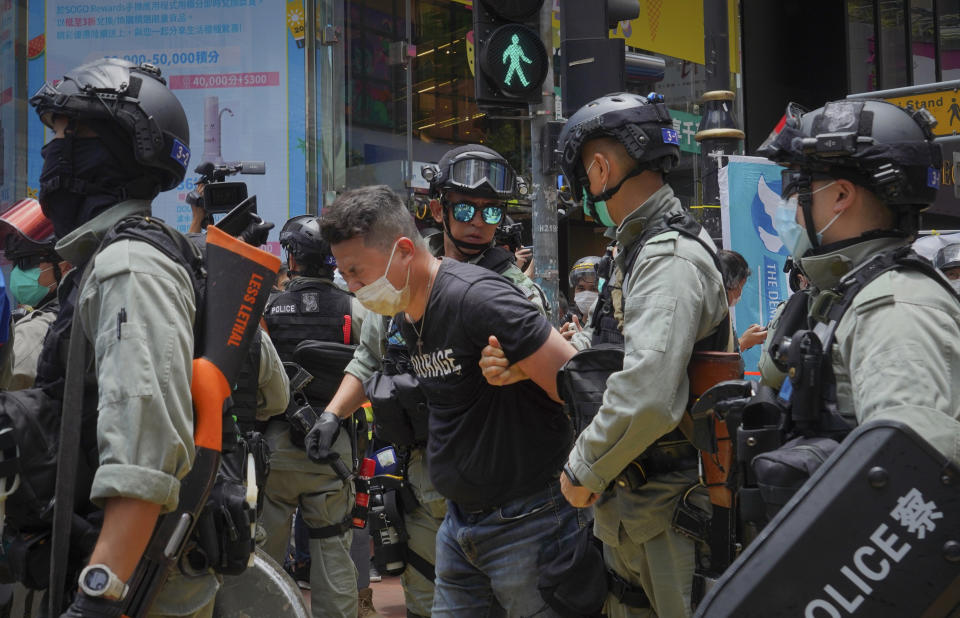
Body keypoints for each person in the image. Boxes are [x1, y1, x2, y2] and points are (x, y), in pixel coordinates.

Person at [318, 185, 584, 617]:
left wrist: (521, 371)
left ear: (403, 251)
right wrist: (332, 414)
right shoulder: (405, 314)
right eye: (344, 274)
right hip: (460, 523)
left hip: (527, 520)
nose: (352, 286)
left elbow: (576, 381)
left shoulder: (477, 297)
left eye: (356, 271)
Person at [29, 58, 217, 617]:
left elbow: (144, 452)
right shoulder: (145, 254)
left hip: (132, 581)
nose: (56, 148)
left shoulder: (128, 264)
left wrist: (98, 600)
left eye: (76, 132)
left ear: (125, 147)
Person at [549, 92, 730, 617]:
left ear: (601, 168)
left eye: (582, 178)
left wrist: (581, 470)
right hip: (631, 507)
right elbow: (605, 347)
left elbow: (648, 393)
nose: (583, 192)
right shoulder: (631, 251)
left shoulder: (668, 258)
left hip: (669, 514)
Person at [755, 98, 960, 464]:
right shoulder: (846, 293)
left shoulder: (895, 310)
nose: (791, 208)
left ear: (841, 196)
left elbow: (904, 475)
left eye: (797, 186)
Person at [259, 214, 368, 618]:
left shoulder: (266, 309)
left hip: (274, 449)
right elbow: (372, 367)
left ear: (292, 256)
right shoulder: (352, 309)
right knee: (333, 553)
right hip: (332, 449)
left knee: (264, 561)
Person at [422, 144, 548, 316]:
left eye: (491, 212)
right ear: (438, 211)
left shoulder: (516, 291)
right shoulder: (405, 271)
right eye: (464, 210)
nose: (478, 222)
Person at [0, 198, 70, 390]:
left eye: (27, 262)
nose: (17, 272)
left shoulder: (41, 329)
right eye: (14, 263)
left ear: (64, 267)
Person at [717, 249, 766, 352]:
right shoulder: (716, 315)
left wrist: (745, 341)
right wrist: (743, 342)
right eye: (741, 286)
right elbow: (716, 357)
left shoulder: (719, 310)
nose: (740, 293)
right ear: (733, 283)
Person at [564, 256, 601, 327]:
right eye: (581, 288)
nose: (586, 294)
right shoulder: (568, 324)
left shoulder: (614, 328)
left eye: (593, 288)